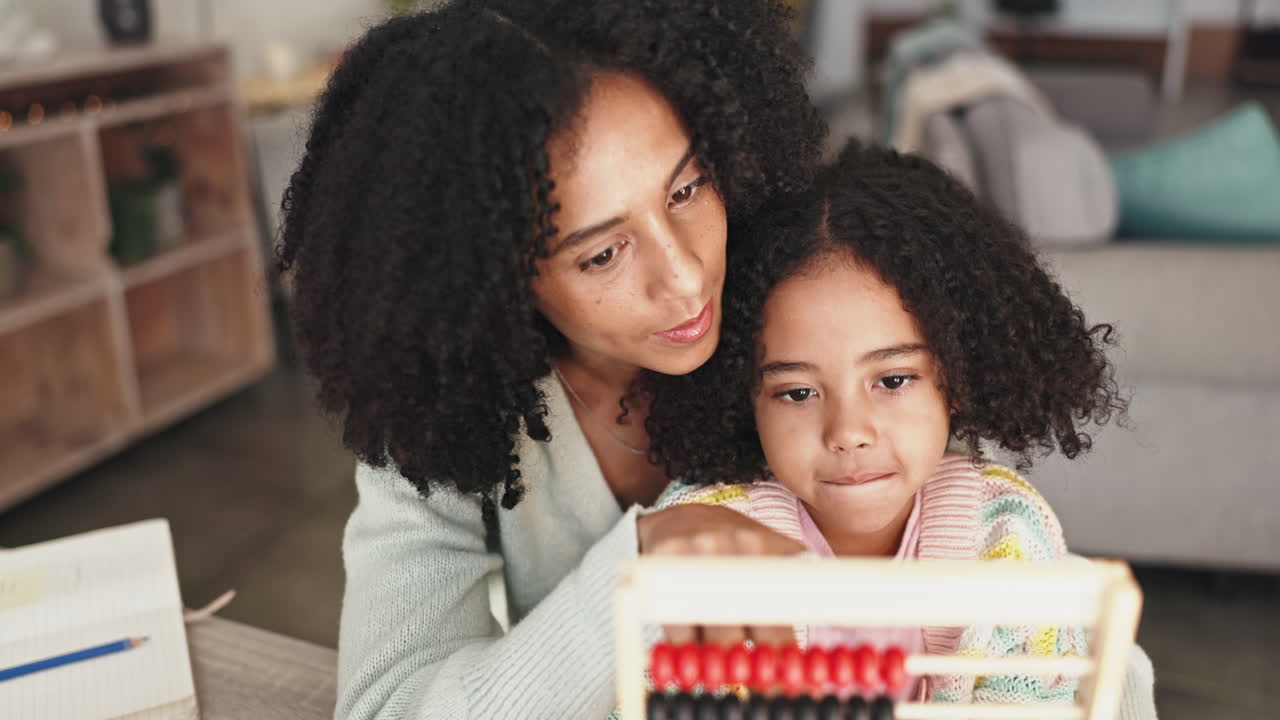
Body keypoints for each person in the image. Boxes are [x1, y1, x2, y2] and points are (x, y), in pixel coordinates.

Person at [273, 0, 826, 717]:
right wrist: (632, 577)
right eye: (601, 254)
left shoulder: (823, 316)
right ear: (492, 275)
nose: (686, 278)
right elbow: (387, 706)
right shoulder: (445, 408)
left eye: (687, 189)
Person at [646, 141, 1133, 705]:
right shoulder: (705, 544)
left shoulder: (1005, 537)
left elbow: (1039, 704)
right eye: (797, 392)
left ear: (955, 376)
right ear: (743, 396)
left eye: (893, 381)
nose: (848, 431)